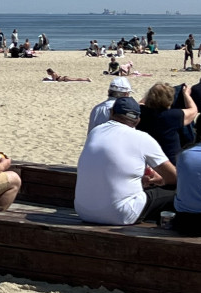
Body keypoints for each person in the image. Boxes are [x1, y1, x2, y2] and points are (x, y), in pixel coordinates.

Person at [74, 97, 177, 226]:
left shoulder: (95, 132)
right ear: (138, 119)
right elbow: (174, 177)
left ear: (111, 113)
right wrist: (159, 180)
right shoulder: (142, 138)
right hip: (120, 214)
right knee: (177, 192)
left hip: (83, 211)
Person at [137, 82, 197, 164]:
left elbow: (140, 103)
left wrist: (151, 95)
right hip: (169, 162)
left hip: (145, 160)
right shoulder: (172, 116)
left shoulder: (140, 112)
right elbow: (193, 110)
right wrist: (186, 94)